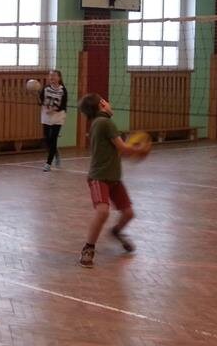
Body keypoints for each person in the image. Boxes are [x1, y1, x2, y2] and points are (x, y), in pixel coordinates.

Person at [77, 94, 149, 268]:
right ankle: (88, 248)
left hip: (114, 177)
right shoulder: (104, 122)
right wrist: (139, 149)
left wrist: (132, 151)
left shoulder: (99, 123)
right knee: (103, 212)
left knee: (128, 213)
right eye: (106, 101)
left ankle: (116, 232)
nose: (109, 103)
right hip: (99, 177)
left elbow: (118, 151)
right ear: (102, 104)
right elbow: (123, 148)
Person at [39, 70, 68, 172]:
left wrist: (53, 110)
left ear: (59, 78)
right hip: (46, 115)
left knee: (53, 138)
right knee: (47, 139)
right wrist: (35, 94)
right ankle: (56, 152)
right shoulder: (45, 88)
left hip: (58, 116)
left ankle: (48, 163)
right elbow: (40, 102)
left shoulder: (63, 90)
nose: (52, 77)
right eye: (50, 75)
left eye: (54, 75)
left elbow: (63, 105)